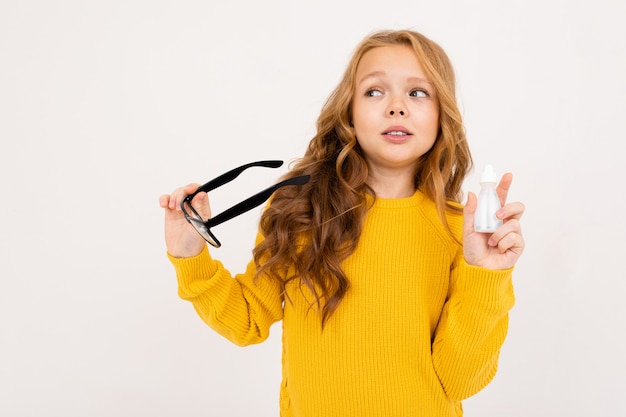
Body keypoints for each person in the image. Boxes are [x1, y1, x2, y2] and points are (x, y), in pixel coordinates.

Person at [159, 29, 525, 417]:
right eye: (374, 91)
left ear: (442, 117)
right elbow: (247, 319)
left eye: (418, 93)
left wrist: (485, 275)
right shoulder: (302, 212)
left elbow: (462, 379)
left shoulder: (463, 233)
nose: (396, 107)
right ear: (348, 114)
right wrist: (189, 256)